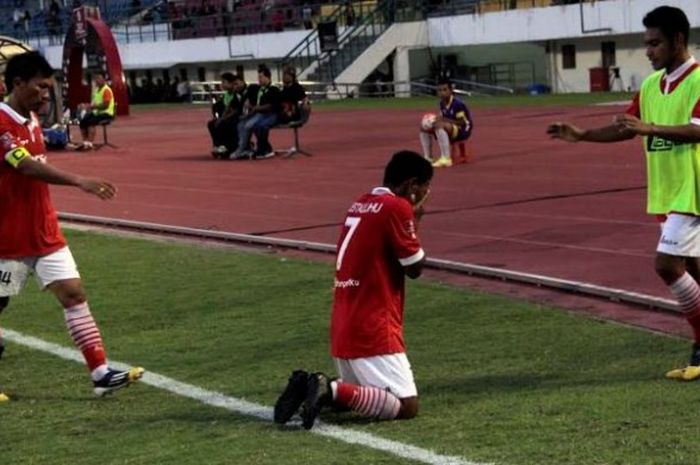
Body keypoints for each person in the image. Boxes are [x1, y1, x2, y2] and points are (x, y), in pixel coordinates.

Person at [547, 6, 700, 380]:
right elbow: (628, 128)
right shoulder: (651, 86)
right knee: (695, 270)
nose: (648, 51)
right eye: (646, 44)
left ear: (678, 40)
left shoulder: (699, 79)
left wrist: (647, 127)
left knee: (666, 264)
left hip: (693, 191)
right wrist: (583, 135)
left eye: (654, 43)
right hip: (668, 193)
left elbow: (697, 129)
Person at [0, 52, 144, 401]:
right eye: (41, 86)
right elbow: (26, 167)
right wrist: (80, 180)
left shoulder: (32, 119)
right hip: (6, 237)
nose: (47, 93)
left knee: (74, 293)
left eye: (50, 86)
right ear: (18, 84)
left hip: (44, 232)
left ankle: (100, 373)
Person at [274, 151, 433, 429]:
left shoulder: (361, 202)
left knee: (361, 397)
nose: (426, 193)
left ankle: (310, 388)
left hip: (344, 322)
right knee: (406, 405)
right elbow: (414, 267)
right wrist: (415, 221)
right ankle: (328, 389)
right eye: (425, 187)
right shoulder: (397, 207)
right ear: (411, 185)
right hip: (372, 324)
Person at [419, 78, 473, 168]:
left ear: (450, 91)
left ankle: (446, 158)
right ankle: (428, 157)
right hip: (451, 126)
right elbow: (443, 116)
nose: (442, 93)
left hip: (463, 130)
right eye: (439, 90)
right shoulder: (442, 103)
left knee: (439, 125)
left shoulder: (457, 104)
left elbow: (462, 123)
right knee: (423, 127)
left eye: (445, 90)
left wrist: (442, 120)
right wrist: (433, 120)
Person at [230, 65, 280, 160]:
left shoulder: (274, 90)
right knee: (240, 124)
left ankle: (261, 148)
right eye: (258, 77)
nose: (259, 79)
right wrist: (249, 109)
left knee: (250, 125)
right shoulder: (257, 89)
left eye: (261, 77)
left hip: (268, 114)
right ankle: (244, 147)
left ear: (268, 77)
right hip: (258, 113)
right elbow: (249, 101)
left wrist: (255, 108)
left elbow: (271, 106)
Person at [208, 73, 246, 158]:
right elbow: (221, 107)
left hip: (237, 117)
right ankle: (217, 145)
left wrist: (223, 118)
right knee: (212, 124)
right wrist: (217, 116)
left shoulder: (235, 94)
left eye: (224, 82)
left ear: (231, 83)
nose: (222, 85)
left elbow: (234, 109)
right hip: (227, 116)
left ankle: (228, 146)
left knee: (225, 123)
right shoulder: (225, 95)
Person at [76, 72, 115, 151]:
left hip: (106, 113)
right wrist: (85, 106)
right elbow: (93, 104)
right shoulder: (97, 90)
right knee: (82, 121)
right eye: (96, 79)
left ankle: (90, 144)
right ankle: (85, 143)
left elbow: (105, 105)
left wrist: (91, 107)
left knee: (91, 121)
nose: (97, 81)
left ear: (104, 80)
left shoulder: (106, 90)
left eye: (99, 79)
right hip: (98, 113)